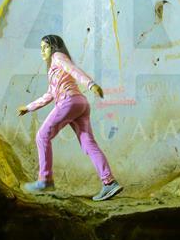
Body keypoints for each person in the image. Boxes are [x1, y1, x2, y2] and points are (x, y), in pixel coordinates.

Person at [18, 34, 123, 201]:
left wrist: (90, 84)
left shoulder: (58, 57)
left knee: (42, 135)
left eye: (45, 47)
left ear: (53, 47)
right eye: (41, 48)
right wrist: (29, 107)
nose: (42, 51)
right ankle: (109, 182)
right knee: (88, 144)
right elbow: (49, 94)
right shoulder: (53, 70)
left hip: (69, 102)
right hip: (80, 103)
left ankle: (45, 180)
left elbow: (73, 70)